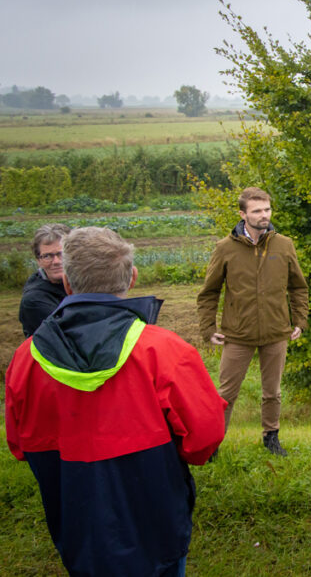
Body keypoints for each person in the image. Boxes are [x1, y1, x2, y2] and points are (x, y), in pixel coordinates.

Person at [5, 227, 225, 576]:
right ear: (132, 277)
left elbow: (19, 444)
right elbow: (204, 437)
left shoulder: (26, 359)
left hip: (76, 526)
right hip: (157, 524)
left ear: (68, 284)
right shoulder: (164, 350)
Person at [197, 186, 309, 457]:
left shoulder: (284, 245)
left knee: (272, 392)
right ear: (243, 214)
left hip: (276, 331)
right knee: (226, 394)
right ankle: (213, 444)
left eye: (267, 209)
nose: (264, 215)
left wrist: (299, 320)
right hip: (238, 334)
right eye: (257, 211)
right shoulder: (225, 248)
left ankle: (271, 438)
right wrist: (208, 328)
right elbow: (209, 292)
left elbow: (298, 287)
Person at [18, 223, 71, 337]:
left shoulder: (81, 282)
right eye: (47, 256)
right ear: (38, 261)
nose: (56, 261)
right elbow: (69, 334)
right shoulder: (34, 301)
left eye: (61, 254)